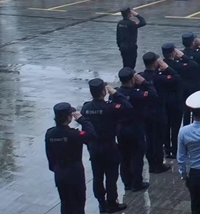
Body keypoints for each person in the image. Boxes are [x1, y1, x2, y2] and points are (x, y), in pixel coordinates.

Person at [80, 79, 130, 213]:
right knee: (111, 176)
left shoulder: (86, 108)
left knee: (97, 176)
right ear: (104, 91)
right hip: (109, 145)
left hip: (94, 147)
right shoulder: (110, 107)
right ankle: (112, 202)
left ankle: (102, 203)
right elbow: (127, 107)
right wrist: (115, 93)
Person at [46, 102, 95, 214]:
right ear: (69, 118)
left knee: (65, 203)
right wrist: (82, 120)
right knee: (78, 203)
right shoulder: (74, 134)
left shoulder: (50, 133)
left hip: (60, 173)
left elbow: (50, 156)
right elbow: (91, 134)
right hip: (75, 173)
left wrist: (56, 168)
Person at [116, 67, 156, 192]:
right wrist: (144, 82)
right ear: (133, 79)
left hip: (121, 129)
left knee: (125, 156)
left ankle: (127, 182)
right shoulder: (137, 94)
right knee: (137, 156)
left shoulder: (116, 94)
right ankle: (137, 183)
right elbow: (153, 95)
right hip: (135, 128)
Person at [138, 51, 175, 174]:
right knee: (158, 140)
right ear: (155, 63)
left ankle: (151, 164)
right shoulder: (160, 77)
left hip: (145, 112)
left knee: (149, 139)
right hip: (159, 112)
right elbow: (176, 80)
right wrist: (168, 68)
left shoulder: (140, 77)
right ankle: (158, 164)